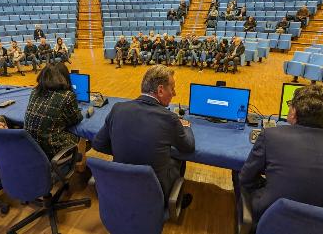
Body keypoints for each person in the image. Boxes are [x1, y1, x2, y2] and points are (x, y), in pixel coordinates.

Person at [239, 84, 323, 223]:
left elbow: (246, 178)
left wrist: (271, 184)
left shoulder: (271, 135)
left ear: (293, 112)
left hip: (274, 220)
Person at [93, 65, 195, 206]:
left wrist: (124, 151)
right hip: (155, 192)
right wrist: (186, 126)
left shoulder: (118, 109)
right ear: (160, 90)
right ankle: (174, 200)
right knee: (179, 159)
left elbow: (98, 144)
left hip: (122, 182)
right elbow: (188, 147)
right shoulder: (170, 118)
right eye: (172, 88)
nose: (175, 93)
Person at [24, 63, 83, 159]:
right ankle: (79, 162)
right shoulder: (67, 95)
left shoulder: (34, 91)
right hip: (52, 148)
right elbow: (75, 119)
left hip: (32, 146)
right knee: (80, 137)